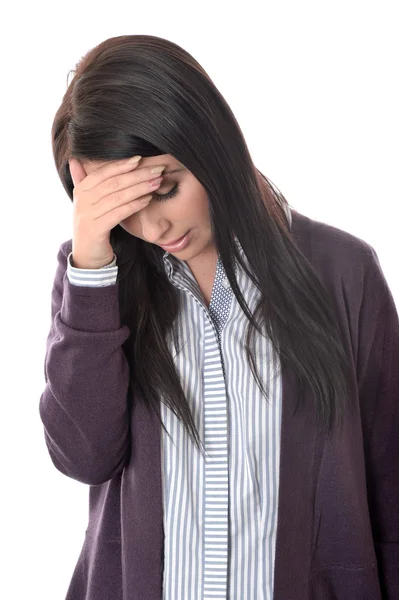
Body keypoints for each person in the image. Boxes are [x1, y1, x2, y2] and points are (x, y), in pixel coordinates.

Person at [39, 34, 399, 600]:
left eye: (167, 189)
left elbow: (390, 481)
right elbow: (84, 456)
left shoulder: (343, 272)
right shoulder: (102, 284)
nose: (153, 229)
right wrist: (89, 262)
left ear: (211, 146)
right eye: (124, 211)